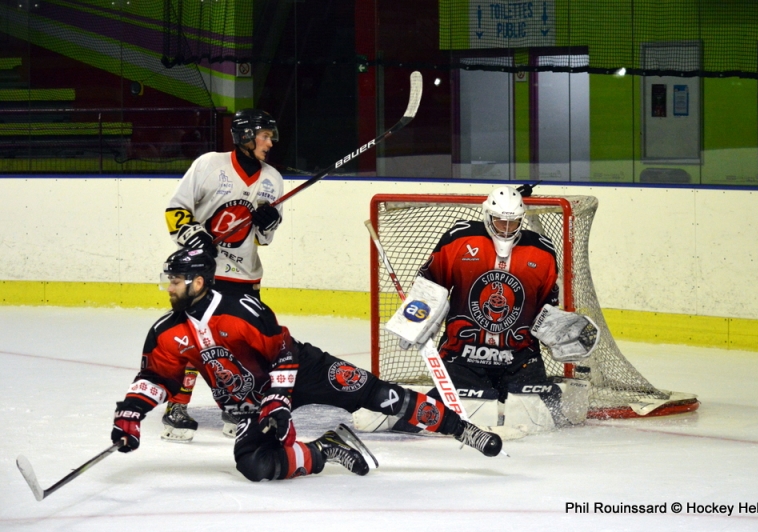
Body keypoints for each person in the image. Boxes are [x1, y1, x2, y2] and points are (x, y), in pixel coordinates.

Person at [110, 249, 502, 483]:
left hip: (303, 370)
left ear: (198, 281)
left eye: (175, 280)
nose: (169, 287)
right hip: (253, 404)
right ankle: (326, 449)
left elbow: (284, 354)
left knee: (378, 394)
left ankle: (461, 429)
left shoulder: (243, 310)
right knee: (255, 465)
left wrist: (279, 399)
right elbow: (156, 377)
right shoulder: (166, 331)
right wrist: (130, 414)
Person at [365, 185, 597, 436]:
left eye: (514, 223)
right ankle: (396, 409)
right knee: (463, 412)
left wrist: (559, 329)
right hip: (462, 355)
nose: (507, 229)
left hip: (519, 357)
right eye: (500, 222)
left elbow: (546, 307)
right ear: (487, 216)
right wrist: (413, 320)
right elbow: (429, 287)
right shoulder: (459, 239)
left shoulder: (541, 250)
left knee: (542, 419)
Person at [162, 109, 287, 441]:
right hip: (206, 274)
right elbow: (175, 210)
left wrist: (267, 222)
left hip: (245, 276)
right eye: (264, 135)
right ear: (245, 136)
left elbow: (265, 239)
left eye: (271, 136)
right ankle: (176, 405)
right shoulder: (209, 165)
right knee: (191, 340)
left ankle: (237, 403)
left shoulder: (273, 179)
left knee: (243, 347)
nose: (270, 142)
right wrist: (193, 235)